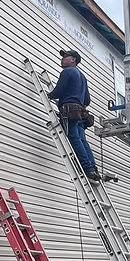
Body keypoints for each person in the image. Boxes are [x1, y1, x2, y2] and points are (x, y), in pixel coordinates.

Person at [47, 50, 100, 182]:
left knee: (73, 138)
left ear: (73, 60)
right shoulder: (82, 76)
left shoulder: (68, 72)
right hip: (79, 112)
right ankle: (92, 168)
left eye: (66, 57)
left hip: (70, 111)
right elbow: (87, 100)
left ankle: (87, 169)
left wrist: (49, 95)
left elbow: (58, 91)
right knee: (82, 140)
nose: (62, 59)